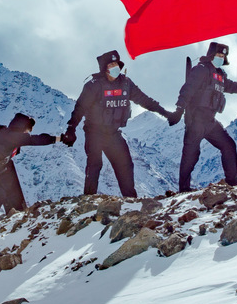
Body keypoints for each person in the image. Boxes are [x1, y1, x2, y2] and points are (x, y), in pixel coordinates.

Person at [62, 49, 176, 198]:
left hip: (113, 133)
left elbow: (144, 100)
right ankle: (87, 201)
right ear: (104, 68)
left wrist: (166, 113)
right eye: (111, 64)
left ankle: (130, 201)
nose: (115, 67)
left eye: (117, 63)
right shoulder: (93, 85)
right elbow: (80, 108)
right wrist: (71, 129)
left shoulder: (126, 84)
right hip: (94, 132)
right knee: (95, 165)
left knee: (126, 165)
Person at [175, 41, 237, 192]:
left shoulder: (221, 75)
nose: (221, 58)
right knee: (191, 154)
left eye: (223, 56)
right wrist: (179, 109)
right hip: (196, 119)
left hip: (210, 121)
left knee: (228, 146)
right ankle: (183, 189)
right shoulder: (201, 70)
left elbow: (234, 87)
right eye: (218, 55)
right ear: (211, 55)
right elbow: (187, 89)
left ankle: (233, 185)